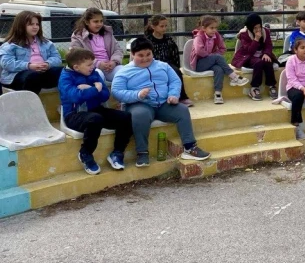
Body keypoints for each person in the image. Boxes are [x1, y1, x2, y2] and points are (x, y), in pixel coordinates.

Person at [112, 37, 210, 167]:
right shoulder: (124, 71)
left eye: (148, 54)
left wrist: (173, 95)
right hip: (140, 104)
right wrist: (137, 95)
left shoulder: (163, 66)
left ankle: (190, 147)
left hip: (164, 104)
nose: (145, 58)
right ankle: (142, 152)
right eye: (140, 55)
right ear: (132, 54)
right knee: (140, 115)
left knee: (182, 110)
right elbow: (116, 91)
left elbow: (175, 81)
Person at [58, 48, 133, 175]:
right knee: (95, 119)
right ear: (76, 67)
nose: (92, 67)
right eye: (89, 65)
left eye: (92, 64)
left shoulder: (94, 73)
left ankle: (117, 152)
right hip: (74, 115)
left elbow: (105, 95)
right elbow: (75, 96)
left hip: (95, 110)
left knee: (125, 116)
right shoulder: (65, 77)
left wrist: (88, 89)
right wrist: (95, 89)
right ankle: (85, 153)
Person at [190, 15, 249, 104]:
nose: (214, 30)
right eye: (211, 28)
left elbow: (223, 48)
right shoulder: (199, 37)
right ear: (204, 28)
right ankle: (234, 77)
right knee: (217, 57)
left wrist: (213, 57)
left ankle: (218, 93)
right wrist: (212, 56)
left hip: (210, 62)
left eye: (215, 28)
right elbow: (199, 51)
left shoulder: (216, 35)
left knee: (219, 69)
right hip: (199, 64)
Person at [0, 11, 63, 94]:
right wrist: (29, 66)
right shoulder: (10, 45)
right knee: (32, 76)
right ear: (21, 25)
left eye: (37, 24)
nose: (35, 27)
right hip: (17, 76)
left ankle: (69, 100)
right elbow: (7, 64)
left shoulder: (46, 43)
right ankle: (30, 102)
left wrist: (47, 64)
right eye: (31, 24)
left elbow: (57, 58)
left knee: (64, 71)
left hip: (42, 73)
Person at [144, 15, 193, 107]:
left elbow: (175, 55)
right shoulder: (148, 41)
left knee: (176, 72)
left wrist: (176, 66)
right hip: (153, 64)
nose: (164, 28)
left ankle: (182, 97)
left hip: (168, 64)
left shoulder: (169, 40)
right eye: (161, 26)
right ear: (153, 27)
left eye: (165, 26)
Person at [232, 13, 278, 101]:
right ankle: (254, 88)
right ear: (250, 27)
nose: (258, 30)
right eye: (255, 28)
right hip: (247, 57)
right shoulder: (244, 34)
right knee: (259, 62)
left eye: (259, 27)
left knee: (268, 61)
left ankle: (271, 85)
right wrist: (256, 39)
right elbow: (250, 51)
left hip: (261, 55)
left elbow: (268, 45)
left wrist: (266, 53)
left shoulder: (265, 32)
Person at [70, 7, 123, 82]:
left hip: (109, 67)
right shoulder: (78, 36)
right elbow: (78, 55)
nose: (99, 24)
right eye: (96, 21)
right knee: (97, 75)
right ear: (87, 22)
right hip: (91, 68)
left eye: (101, 21)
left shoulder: (107, 33)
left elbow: (117, 50)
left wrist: (114, 62)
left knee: (124, 72)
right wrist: (98, 64)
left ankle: (120, 89)